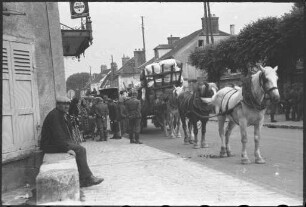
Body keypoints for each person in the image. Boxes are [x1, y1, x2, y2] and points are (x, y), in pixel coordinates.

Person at [40, 96, 104, 187]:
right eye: (64, 104)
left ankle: (84, 179)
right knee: (80, 150)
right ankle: (87, 178)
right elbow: (58, 135)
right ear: (58, 105)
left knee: (78, 148)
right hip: (50, 145)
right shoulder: (54, 116)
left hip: (55, 143)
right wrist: (66, 149)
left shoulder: (60, 114)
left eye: (68, 104)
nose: (66, 107)